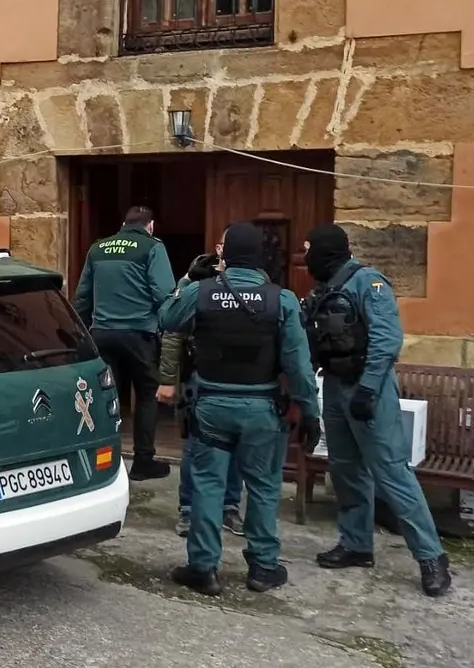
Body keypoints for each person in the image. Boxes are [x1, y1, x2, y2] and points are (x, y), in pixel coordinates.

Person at [158, 223, 321, 596]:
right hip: (263, 407)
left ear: (224, 255)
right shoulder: (280, 300)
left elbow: (166, 318)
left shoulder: (200, 292)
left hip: (211, 405)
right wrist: (309, 411)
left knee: (207, 485)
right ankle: (263, 567)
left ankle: (203, 568)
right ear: (261, 257)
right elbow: (298, 363)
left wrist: (187, 282)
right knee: (263, 487)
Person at [301, 223, 451, 597]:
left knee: (391, 472)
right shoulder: (324, 289)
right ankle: (356, 544)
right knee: (346, 470)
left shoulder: (369, 283)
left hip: (370, 388)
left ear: (328, 250)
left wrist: (367, 389)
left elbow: (387, 339)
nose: (306, 258)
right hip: (334, 387)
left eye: (310, 250)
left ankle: (432, 557)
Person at [72, 206, 176, 481]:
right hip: (139, 334)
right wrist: (170, 329)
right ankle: (142, 462)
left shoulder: (98, 248)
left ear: (123, 223)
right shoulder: (152, 247)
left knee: (107, 398)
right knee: (145, 396)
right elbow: (164, 293)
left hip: (103, 334)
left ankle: (105, 460)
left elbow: (82, 296)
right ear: (150, 225)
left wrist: (77, 333)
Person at [157, 251, 244, 538]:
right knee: (195, 447)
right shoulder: (200, 277)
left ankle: (229, 507)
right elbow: (172, 331)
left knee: (235, 448)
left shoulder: (252, 281)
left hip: (241, 379)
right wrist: (168, 379)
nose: (221, 253)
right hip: (199, 377)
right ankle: (188, 509)